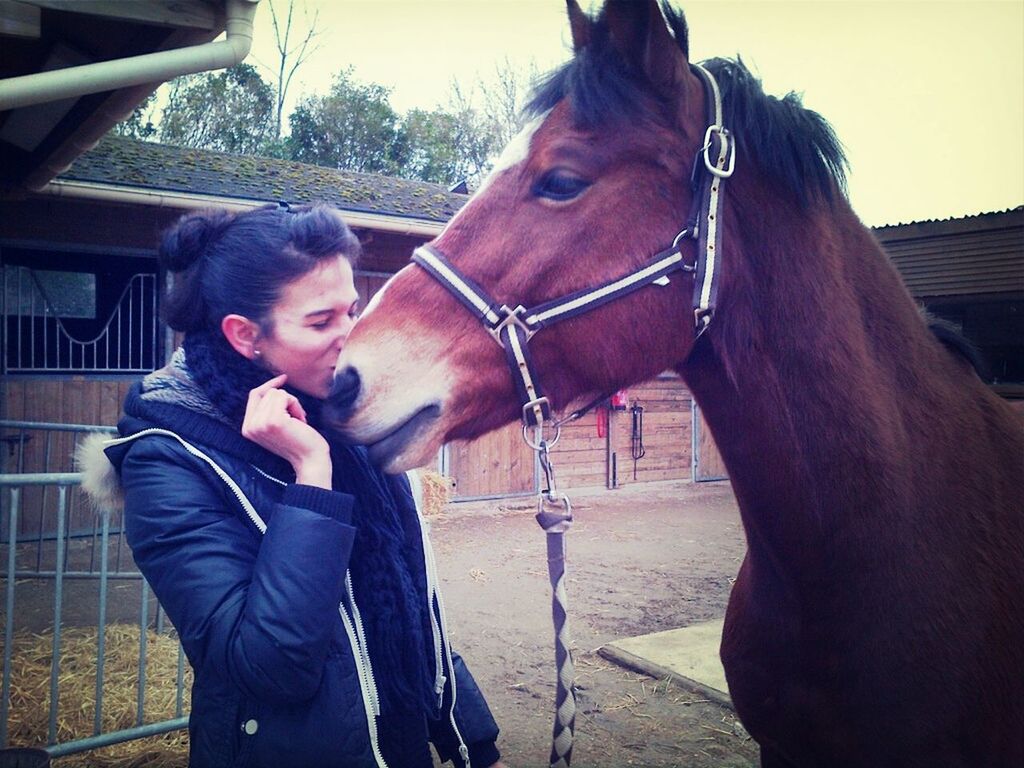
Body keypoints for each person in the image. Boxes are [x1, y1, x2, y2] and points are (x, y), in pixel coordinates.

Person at [78, 204, 503, 768]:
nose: (350, 338)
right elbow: (268, 665)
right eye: (321, 322)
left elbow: (408, 602)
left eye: (352, 311)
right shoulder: (168, 462)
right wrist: (312, 478)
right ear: (245, 334)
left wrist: (474, 738)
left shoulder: (340, 413)